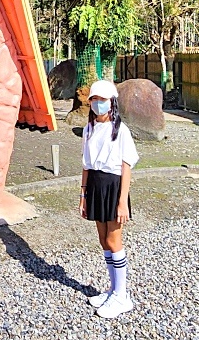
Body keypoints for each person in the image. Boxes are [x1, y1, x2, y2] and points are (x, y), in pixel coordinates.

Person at [80, 78, 139, 319]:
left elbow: (127, 166)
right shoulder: (88, 129)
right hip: (95, 184)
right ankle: (113, 289)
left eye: (102, 100)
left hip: (113, 186)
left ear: (111, 102)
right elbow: (85, 164)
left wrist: (122, 201)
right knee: (103, 240)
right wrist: (83, 195)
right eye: (94, 100)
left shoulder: (121, 130)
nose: (97, 104)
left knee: (114, 240)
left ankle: (122, 296)